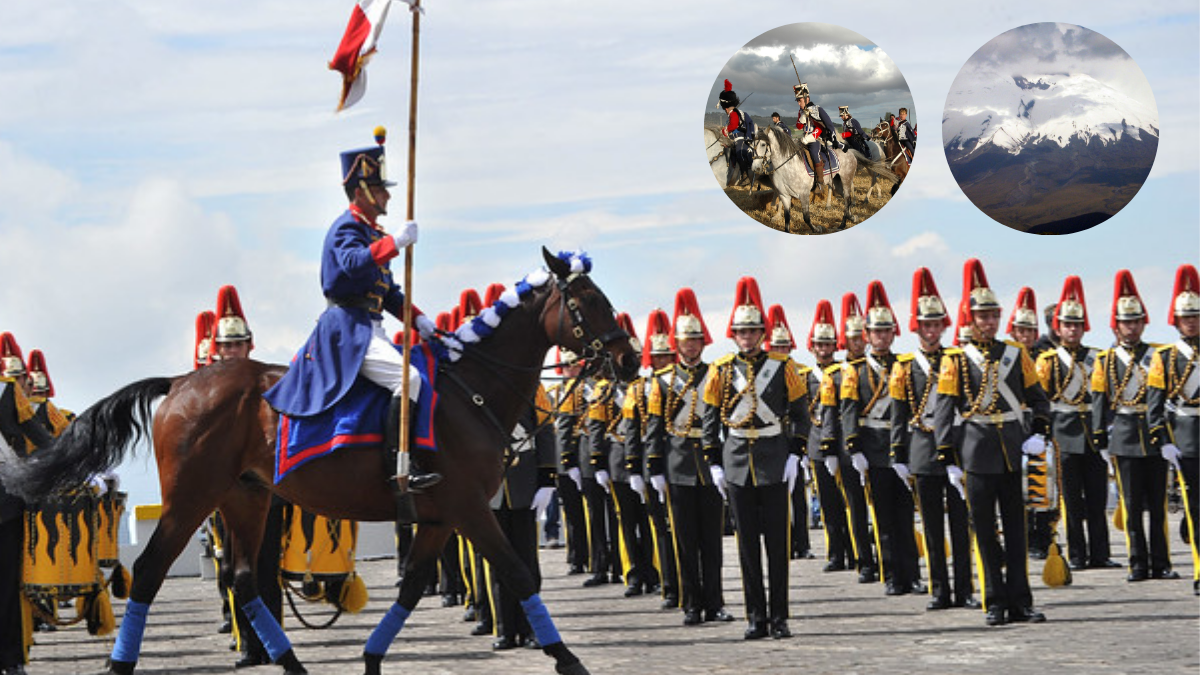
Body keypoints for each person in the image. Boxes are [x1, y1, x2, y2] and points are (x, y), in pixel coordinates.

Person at [263, 128, 440, 493]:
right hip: (347, 331)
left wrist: (417, 318)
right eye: (380, 189)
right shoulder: (346, 229)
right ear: (361, 192)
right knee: (408, 380)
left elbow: (387, 292)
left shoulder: (372, 233)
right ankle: (401, 466)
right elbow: (351, 264)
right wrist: (396, 243)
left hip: (369, 326)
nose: (388, 195)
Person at [933, 259, 1049, 627]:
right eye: (982, 316)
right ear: (970, 319)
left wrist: (1038, 433)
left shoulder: (1016, 353)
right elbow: (944, 410)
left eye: (993, 315)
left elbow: (1039, 399)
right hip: (975, 452)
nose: (988, 322)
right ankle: (994, 601)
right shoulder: (955, 360)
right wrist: (947, 455)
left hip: (1012, 452)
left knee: (1016, 531)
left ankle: (1021, 601)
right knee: (984, 532)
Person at [702, 277, 810, 640]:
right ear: (733, 335)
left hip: (774, 459)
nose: (747, 337)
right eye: (741, 332)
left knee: (778, 546)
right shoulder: (720, 370)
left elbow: (800, 413)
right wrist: (714, 461)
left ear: (762, 333)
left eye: (752, 331)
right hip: (736, 462)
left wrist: (796, 453)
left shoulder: (783, 367)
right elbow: (708, 419)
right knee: (747, 547)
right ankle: (755, 617)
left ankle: (780, 617)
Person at [645, 289, 733, 626]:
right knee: (684, 543)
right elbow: (654, 428)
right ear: (676, 343)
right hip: (678, 466)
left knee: (712, 541)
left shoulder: (717, 375)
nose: (691, 345)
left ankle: (716, 602)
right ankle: (691, 604)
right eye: (686, 340)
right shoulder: (662, 381)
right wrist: (653, 466)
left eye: (696, 339)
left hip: (709, 467)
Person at [890, 268, 977, 610]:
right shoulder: (904, 366)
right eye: (925, 324)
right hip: (922, 448)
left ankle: (964, 589)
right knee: (932, 526)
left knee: (961, 524)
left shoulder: (958, 359)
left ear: (944, 326)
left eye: (936, 323)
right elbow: (899, 413)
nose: (931, 329)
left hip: (956, 445)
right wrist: (898, 454)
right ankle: (940, 590)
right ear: (917, 327)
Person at [1093, 270, 1178, 582]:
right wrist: (1100, 437)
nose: (1131, 327)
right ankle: (1137, 563)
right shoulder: (1105, 359)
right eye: (1126, 322)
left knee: (1158, 506)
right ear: (1117, 326)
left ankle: (1161, 563)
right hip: (1125, 435)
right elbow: (1100, 399)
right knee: (1131, 507)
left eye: (1136, 321)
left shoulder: (1158, 354)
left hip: (1155, 435)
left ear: (1144, 323)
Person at [842, 281, 920, 596]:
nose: (882, 336)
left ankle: (912, 575)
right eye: (877, 332)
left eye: (887, 331)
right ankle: (891, 575)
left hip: (902, 447)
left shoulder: (907, 365)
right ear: (867, 336)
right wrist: (854, 448)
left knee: (906, 515)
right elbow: (849, 411)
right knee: (883, 518)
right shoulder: (855, 370)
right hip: (872, 448)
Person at [1036, 276, 1116, 571]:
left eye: (1077, 325)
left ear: (1084, 328)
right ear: (1058, 328)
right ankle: (1078, 555)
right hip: (1063, 434)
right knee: (1071, 500)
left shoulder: (1097, 358)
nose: (1072, 330)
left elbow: (1106, 396)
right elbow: (1041, 400)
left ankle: (1100, 553)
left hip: (1093, 434)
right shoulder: (1047, 361)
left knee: (1097, 498)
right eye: (1067, 325)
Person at [588, 314, 657, 598]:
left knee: (650, 518)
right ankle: (632, 573)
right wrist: (598, 463)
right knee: (625, 520)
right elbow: (596, 427)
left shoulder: (647, 385)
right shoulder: (604, 389)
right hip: (617, 457)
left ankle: (654, 572)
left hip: (645, 455)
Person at [488, 381, 556, 650]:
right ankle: (505, 629)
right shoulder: (477, 385)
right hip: (490, 487)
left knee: (527, 562)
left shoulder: (531, 388)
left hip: (523, 484)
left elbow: (545, 432)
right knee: (498, 564)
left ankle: (531, 628)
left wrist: (547, 478)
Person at [0, 334, 54, 675]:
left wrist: (74, 461)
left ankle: (10, 657)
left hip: (4, 503)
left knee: (6, 587)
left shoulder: (6, 391)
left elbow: (37, 434)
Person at [1148, 264, 1200, 595]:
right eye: (1186, 317)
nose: (1192, 321)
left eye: (1196, 315)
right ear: (1176, 322)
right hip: (1186, 438)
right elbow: (1154, 406)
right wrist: (1163, 439)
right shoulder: (1165, 357)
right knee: (1196, 510)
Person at [820, 293, 878, 583]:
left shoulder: (876, 367)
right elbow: (829, 412)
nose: (857, 342)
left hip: (876, 442)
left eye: (861, 337)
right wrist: (829, 448)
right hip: (848, 445)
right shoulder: (836, 373)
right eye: (852, 338)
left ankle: (886, 557)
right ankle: (863, 559)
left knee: (880, 505)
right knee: (855, 506)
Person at [624, 309, 680, 609]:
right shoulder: (639, 388)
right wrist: (634, 466)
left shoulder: (684, 382)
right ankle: (670, 586)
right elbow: (632, 430)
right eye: (657, 356)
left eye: (667, 355)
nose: (662, 361)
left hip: (683, 460)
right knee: (661, 528)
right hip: (653, 462)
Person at [805, 300, 853, 573]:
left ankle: (856, 550)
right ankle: (836, 553)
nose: (824, 350)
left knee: (850, 502)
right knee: (828, 505)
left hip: (843, 445)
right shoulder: (804, 376)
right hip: (816, 446)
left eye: (828, 345)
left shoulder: (844, 373)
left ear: (836, 346)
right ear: (812, 347)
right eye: (819, 345)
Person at [763, 305, 814, 560]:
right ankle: (786, 540)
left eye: (784, 347)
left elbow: (803, 413)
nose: (781, 351)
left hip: (792, 437)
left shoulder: (801, 371)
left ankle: (803, 542)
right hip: (773, 438)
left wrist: (801, 446)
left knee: (798, 499)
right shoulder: (765, 373)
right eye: (776, 347)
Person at [1008, 288, 1054, 560]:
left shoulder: (1043, 356)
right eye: (1021, 331)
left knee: (1043, 483)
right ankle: (1023, 536)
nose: (1025, 336)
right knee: (1019, 487)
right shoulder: (1008, 357)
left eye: (1030, 331)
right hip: (1014, 425)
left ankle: (1043, 537)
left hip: (1036, 425)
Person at [549, 349, 589, 576]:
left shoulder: (590, 389)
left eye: (575, 365)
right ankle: (576, 557)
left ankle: (594, 555)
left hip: (585, 455)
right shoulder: (554, 393)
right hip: (562, 459)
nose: (571, 370)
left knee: (590, 511)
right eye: (567, 366)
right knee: (571, 513)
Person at [793, 82, 841, 199]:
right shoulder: (801, 111)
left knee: (814, 154)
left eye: (800, 101)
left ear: (806, 98)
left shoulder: (816, 109)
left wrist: (810, 138)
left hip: (815, 138)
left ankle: (820, 182)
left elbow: (821, 126)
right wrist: (802, 117)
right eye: (798, 101)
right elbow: (799, 127)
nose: (799, 103)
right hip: (804, 137)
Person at [717, 79, 756, 186]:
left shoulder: (734, 114)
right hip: (734, 139)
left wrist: (725, 130)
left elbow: (733, 125)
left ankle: (745, 176)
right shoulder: (733, 113)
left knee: (740, 154)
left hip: (740, 138)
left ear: (725, 107)